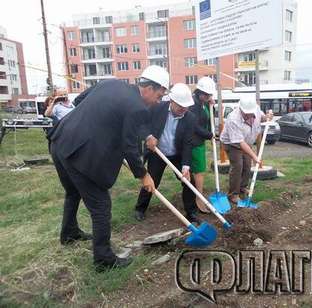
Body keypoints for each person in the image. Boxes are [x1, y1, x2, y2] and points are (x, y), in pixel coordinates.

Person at [48, 65, 169, 272]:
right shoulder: (137, 107)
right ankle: (103, 259)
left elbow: (78, 101)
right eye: (159, 95)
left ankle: (69, 233)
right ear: (149, 87)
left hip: (60, 141)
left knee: (73, 192)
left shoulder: (110, 83)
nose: (158, 101)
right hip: (79, 152)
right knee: (101, 207)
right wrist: (144, 175)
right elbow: (130, 147)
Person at [135, 83, 200, 222]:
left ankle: (191, 212)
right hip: (158, 153)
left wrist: (186, 166)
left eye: (186, 106)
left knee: (189, 182)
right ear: (172, 101)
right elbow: (142, 124)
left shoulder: (190, 118)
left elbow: (188, 143)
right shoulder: (157, 108)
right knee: (152, 180)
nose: (184, 109)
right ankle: (140, 208)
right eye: (180, 106)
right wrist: (148, 136)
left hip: (177, 154)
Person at [220, 95, 273, 204]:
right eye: (246, 113)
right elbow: (240, 142)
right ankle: (233, 194)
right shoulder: (233, 119)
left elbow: (262, 118)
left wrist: (267, 117)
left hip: (246, 143)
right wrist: (255, 156)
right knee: (238, 165)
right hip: (232, 143)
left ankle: (242, 188)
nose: (249, 115)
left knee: (247, 165)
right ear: (241, 109)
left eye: (250, 113)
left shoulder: (256, 109)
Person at [189, 77, 216, 213]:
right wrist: (209, 135)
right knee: (199, 171)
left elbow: (209, 118)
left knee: (199, 171)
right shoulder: (193, 104)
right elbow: (194, 126)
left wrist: (212, 105)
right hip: (193, 142)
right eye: (206, 94)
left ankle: (196, 194)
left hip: (200, 141)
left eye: (209, 95)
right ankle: (198, 199)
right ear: (199, 92)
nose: (208, 97)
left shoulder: (202, 103)